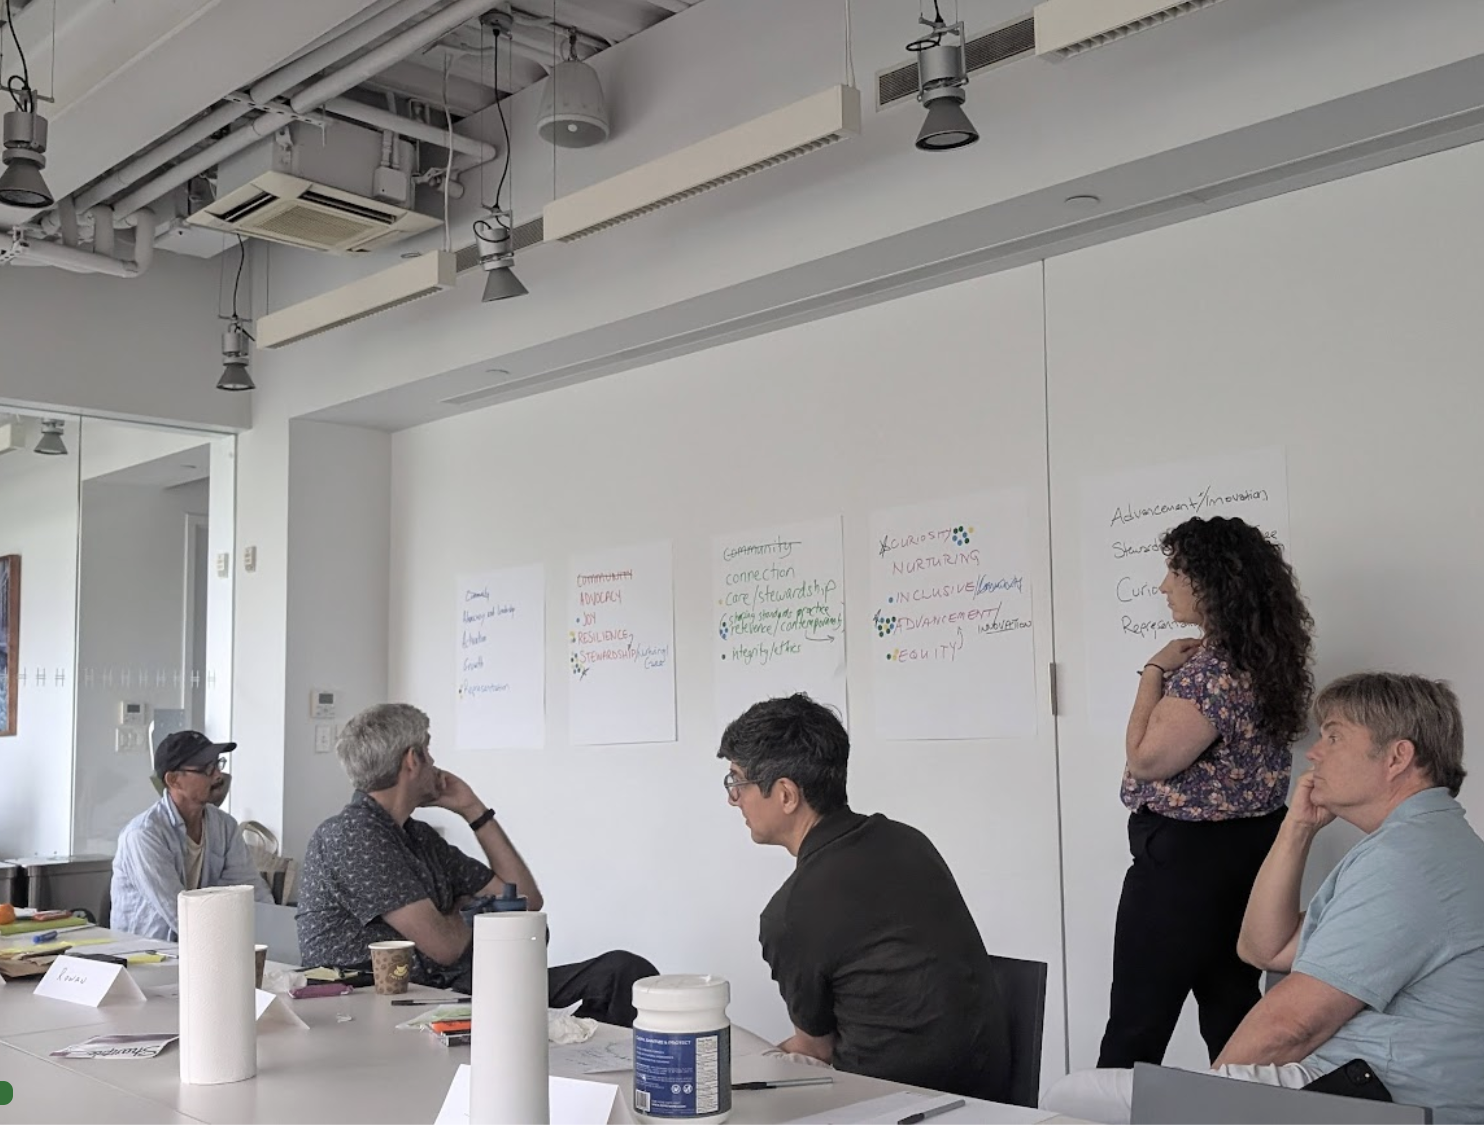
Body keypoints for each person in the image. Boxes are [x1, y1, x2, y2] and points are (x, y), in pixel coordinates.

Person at [1046, 672, 1484, 1124]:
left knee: (1075, 1096)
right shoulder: (1425, 845)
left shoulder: (1408, 862)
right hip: (1359, 1081)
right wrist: (1297, 828)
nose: (1314, 752)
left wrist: (1199, 1104)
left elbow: (1293, 1025)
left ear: (1397, 757)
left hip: (1381, 1101)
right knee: (1086, 1095)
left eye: (1334, 737)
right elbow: (1262, 949)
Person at [718, 693, 1011, 1101]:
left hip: (889, 1104)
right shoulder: (907, 839)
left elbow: (815, 1049)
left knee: (718, 1067)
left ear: (786, 794)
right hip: (990, 1096)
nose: (734, 800)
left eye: (738, 782)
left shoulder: (790, 913)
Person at [1100, 516, 1314, 1068]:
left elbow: (1147, 759)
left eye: (1175, 571)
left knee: (1135, 1029)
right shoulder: (1266, 661)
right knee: (1233, 1018)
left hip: (1183, 866)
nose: (1163, 585)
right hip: (1248, 858)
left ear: (1213, 581)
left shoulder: (1209, 673)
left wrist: (1153, 670)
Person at [296, 704, 656, 1025]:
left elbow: (526, 900)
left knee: (623, 974)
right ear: (412, 759)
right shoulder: (353, 837)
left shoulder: (417, 837)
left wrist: (474, 810)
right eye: (429, 752)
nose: (435, 763)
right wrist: (472, 909)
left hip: (456, 988)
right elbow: (444, 946)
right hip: (393, 1004)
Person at [110, 730, 272, 940]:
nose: (218, 775)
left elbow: (252, 894)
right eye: (207, 768)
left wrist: (275, 938)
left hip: (203, 947)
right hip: (148, 955)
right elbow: (180, 914)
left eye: (218, 764)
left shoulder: (224, 826)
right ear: (174, 780)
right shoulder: (144, 835)